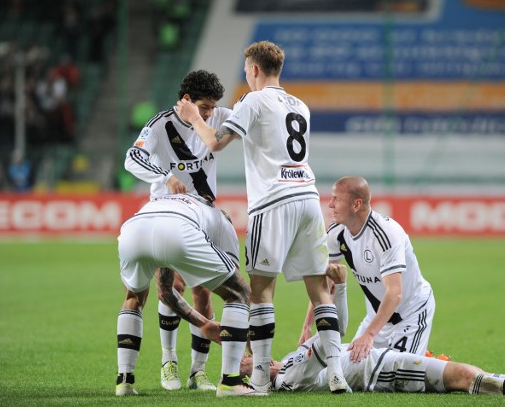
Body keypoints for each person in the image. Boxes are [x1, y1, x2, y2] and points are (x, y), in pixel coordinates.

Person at [176, 40, 350, 394]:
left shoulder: (254, 100)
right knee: (319, 290)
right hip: (307, 197)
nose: (246, 76)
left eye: (246, 71)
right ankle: (336, 373)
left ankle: (258, 377)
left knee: (260, 292)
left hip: (272, 202)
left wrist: (195, 118)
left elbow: (215, 143)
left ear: (254, 69)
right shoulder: (300, 105)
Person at [239, 263, 505, 397]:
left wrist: (326, 293)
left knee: (458, 373)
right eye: (245, 362)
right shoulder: (288, 375)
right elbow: (334, 328)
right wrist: (341, 289)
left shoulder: (287, 363)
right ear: (249, 378)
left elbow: (320, 330)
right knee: (461, 376)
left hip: (377, 360)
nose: (251, 356)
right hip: (377, 370)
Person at [124, 70, 230, 392]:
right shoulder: (159, 125)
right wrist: (166, 175)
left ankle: (198, 371)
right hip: (167, 214)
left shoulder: (220, 116)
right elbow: (133, 157)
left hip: (204, 212)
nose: (210, 113)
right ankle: (168, 360)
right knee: (173, 286)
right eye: (203, 106)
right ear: (186, 101)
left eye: (213, 106)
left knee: (204, 290)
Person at [115, 193, 265, 397]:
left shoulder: (176, 202)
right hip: (177, 229)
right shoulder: (223, 222)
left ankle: (124, 380)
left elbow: (166, 291)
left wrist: (202, 323)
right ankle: (231, 381)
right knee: (239, 293)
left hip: (132, 228)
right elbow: (237, 290)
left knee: (133, 298)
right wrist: (252, 348)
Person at [300, 176, 435, 362]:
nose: (330, 204)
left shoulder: (386, 234)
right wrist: (307, 325)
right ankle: (422, 356)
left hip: (411, 313)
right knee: (353, 368)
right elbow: (323, 283)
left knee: (399, 377)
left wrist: (369, 335)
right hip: (377, 316)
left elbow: (394, 293)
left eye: (336, 199)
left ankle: (433, 361)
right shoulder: (336, 233)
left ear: (356, 205)